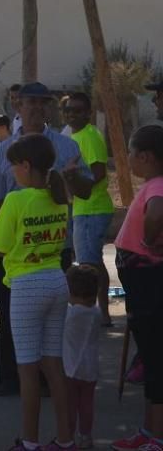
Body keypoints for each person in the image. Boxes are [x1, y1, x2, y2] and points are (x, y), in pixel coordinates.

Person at [0, 82, 94, 397]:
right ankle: (10, 378)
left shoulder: (65, 147)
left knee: (51, 321)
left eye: (41, 103)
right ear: (17, 106)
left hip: (51, 248)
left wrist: (73, 177)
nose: (35, 108)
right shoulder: (4, 149)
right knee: (8, 315)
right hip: (12, 250)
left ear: (48, 108)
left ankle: (45, 382)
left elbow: (86, 190)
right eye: (29, 102)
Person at [0, 134, 75, 450]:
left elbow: (0, 246)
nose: (12, 172)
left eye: (13, 166)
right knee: (54, 367)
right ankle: (66, 439)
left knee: (27, 370)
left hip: (26, 286)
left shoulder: (16, 200)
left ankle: (29, 441)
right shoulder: (59, 196)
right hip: (56, 279)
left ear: (26, 165)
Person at [110, 125, 163, 451]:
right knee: (151, 359)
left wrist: (146, 240)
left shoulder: (157, 186)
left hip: (148, 283)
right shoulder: (152, 185)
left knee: (157, 362)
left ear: (144, 156)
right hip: (141, 285)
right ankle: (147, 430)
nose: (127, 159)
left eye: (130, 152)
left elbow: (156, 212)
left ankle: (157, 437)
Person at [64, 91, 115, 326]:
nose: (72, 114)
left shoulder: (90, 136)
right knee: (91, 261)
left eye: (77, 110)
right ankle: (99, 312)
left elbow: (98, 173)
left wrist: (74, 179)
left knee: (89, 264)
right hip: (82, 208)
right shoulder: (72, 136)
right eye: (69, 110)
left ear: (88, 112)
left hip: (92, 209)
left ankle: (97, 312)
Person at [63, 264, 101, 449]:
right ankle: (86, 435)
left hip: (70, 366)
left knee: (70, 405)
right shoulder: (96, 312)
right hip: (90, 365)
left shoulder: (70, 314)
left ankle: (68, 437)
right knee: (87, 403)